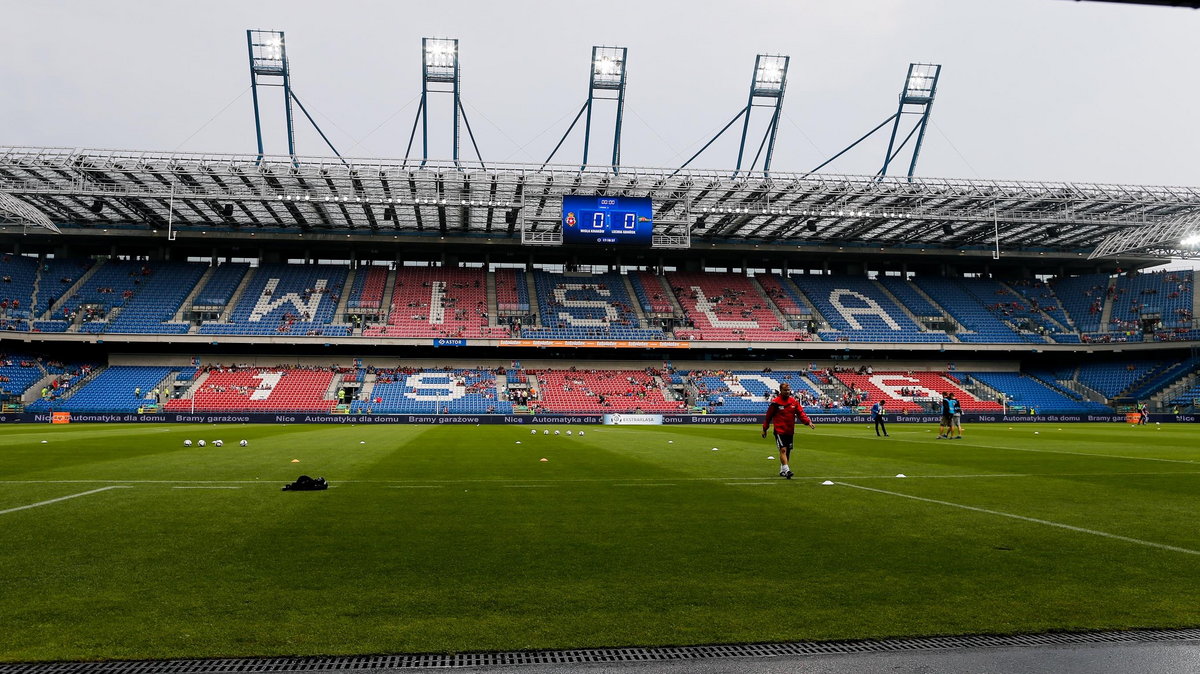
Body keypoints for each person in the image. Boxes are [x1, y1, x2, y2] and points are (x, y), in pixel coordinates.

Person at [761, 382, 815, 479]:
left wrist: (808, 422)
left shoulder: (794, 402)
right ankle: (787, 470)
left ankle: (782, 471)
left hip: (789, 430)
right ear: (780, 391)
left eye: (788, 390)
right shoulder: (775, 402)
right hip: (779, 430)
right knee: (783, 449)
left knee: (788, 451)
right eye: (785, 390)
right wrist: (765, 429)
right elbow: (768, 416)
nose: (787, 392)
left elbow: (801, 413)